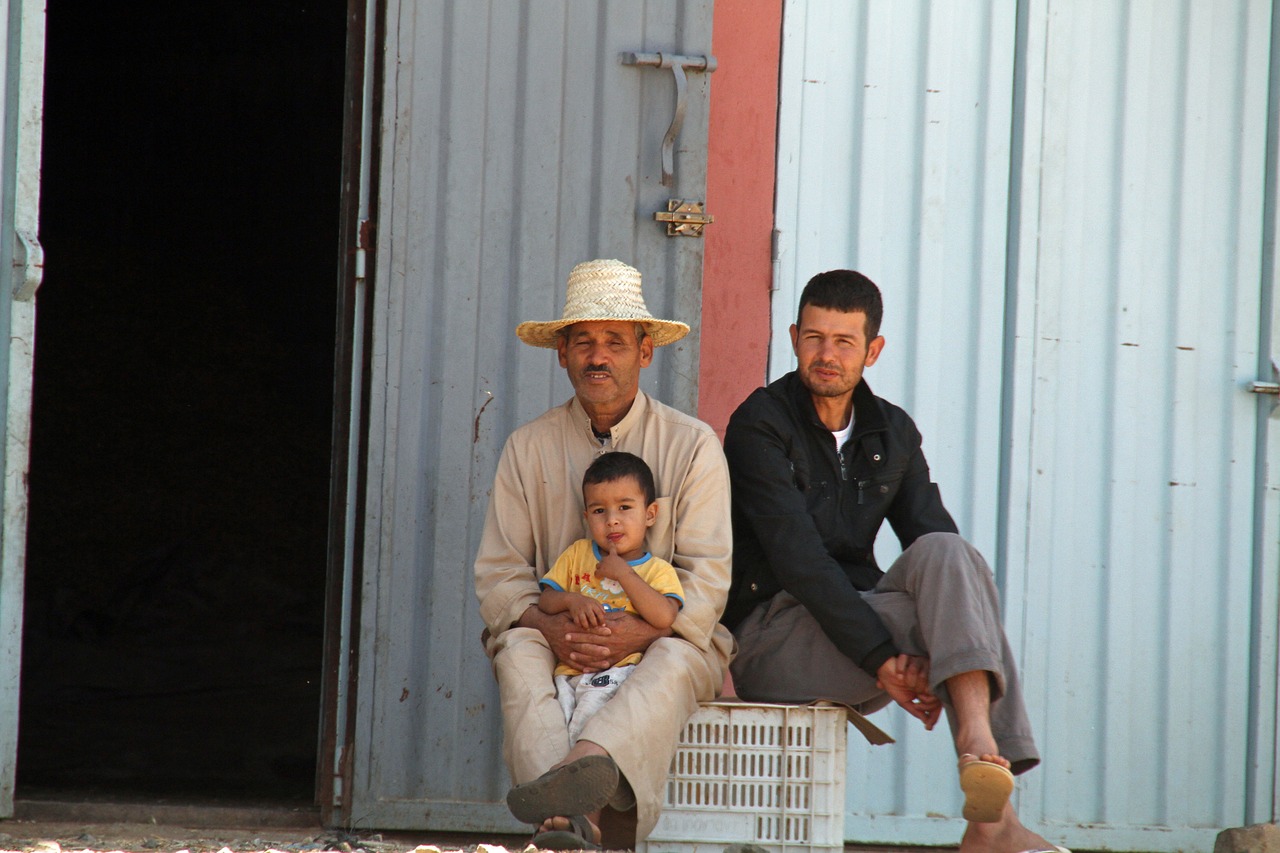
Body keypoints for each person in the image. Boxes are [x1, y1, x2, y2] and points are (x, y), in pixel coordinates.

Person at [722, 270, 1069, 853]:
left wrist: (910, 642)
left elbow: (942, 549)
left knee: (951, 556)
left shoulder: (893, 431)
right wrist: (885, 658)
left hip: (856, 623)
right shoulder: (759, 424)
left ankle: (979, 754)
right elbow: (800, 561)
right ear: (793, 337)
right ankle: (994, 822)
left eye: (844, 341)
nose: (826, 355)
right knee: (960, 621)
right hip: (773, 635)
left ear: (873, 350)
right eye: (814, 338)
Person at [473, 258, 733, 850]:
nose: (598, 357)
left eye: (614, 342)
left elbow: (707, 582)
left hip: (666, 637)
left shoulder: (692, 446)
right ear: (561, 351)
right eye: (583, 342)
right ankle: (564, 821)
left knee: (669, 661)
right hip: (556, 630)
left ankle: (570, 792)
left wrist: (636, 633)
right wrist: (548, 623)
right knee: (517, 647)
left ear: (644, 352)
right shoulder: (527, 448)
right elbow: (500, 575)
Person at [538, 451, 684, 742]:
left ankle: (579, 772)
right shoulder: (577, 554)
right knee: (553, 731)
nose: (612, 521)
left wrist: (625, 574)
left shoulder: (657, 570)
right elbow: (545, 600)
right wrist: (571, 600)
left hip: (617, 674)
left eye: (625, 507)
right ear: (586, 517)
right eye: (599, 511)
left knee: (588, 731)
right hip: (567, 672)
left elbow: (665, 616)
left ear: (650, 514)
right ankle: (565, 775)